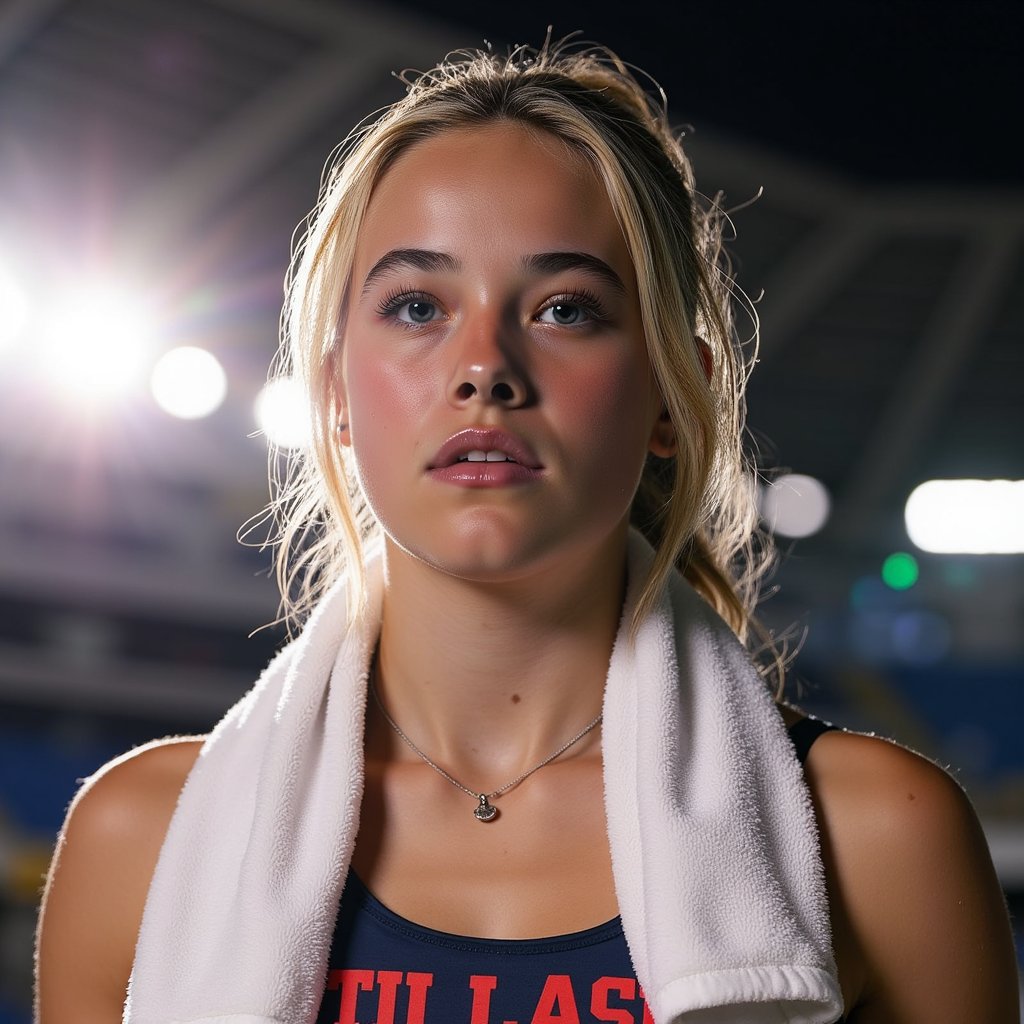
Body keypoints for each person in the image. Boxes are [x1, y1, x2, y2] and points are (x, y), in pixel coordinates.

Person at [35, 39, 1018, 1024]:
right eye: (417, 305)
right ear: (334, 396)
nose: (484, 367)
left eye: (565, 310)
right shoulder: (137, 842)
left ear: (673, 394)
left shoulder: (879, 840)